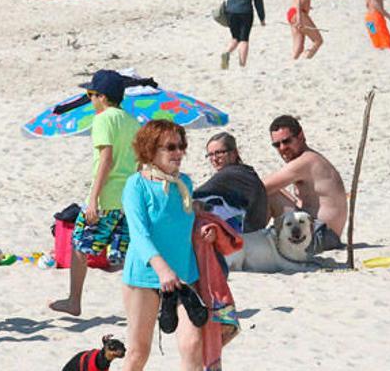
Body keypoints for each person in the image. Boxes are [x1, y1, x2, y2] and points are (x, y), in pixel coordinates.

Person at [49, 70, 140, 316]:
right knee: (123, 255)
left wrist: (93, 200)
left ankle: (74, 300)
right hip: (129, 199)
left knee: (79, 244)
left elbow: (106, 160)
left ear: (102, 96)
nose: (90, 100)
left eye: (91, 95)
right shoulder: (133, 121)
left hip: (108, 197)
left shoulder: (103, 119)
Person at [121, 120, 203, 370]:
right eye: (170, 147)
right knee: (138, 352)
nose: (179, 153)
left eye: (182, 146)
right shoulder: (136, 185)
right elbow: (139, 235)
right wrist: (162, 270)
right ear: (150, 150)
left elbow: (183, 225)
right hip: (144, 278)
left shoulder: (184, 184)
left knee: (192, 345)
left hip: (183, 276)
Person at [261, 115, 347, 254]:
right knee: (276, 191)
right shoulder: (310, 158)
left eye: (286, 141)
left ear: (301, 136)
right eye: (277, 145)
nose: (282, 148)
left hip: (322, 236)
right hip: (323, 234)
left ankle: (246, 238)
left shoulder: (306, 161)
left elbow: (260, 187)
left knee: (268, 194)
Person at [192, 132, 270, 233]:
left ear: (234, 153)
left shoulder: (229, 175)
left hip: (247, 240)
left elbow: (194, 196)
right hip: (256, 234)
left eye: (219, 152)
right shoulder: (247, 172)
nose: (214, 159)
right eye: (210, 155)